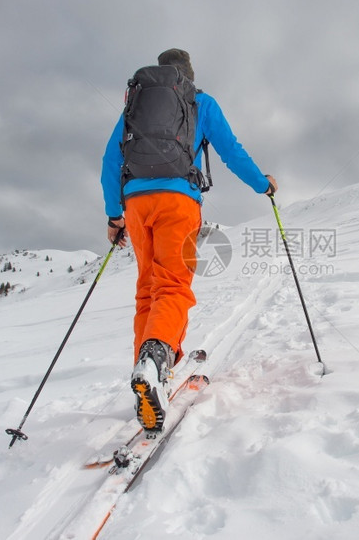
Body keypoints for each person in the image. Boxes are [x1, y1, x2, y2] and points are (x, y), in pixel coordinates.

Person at [101, 48, 277, 432]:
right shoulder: (200, 101)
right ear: (189, 75)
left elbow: (110, 161)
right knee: (173, 285)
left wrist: (114, 216)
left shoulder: (136, 105)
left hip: (135, 204)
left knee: (147, 290)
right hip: (178, 201)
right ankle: (156, 358)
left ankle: (146, 378)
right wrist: (263, 185)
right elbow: (231, 151)